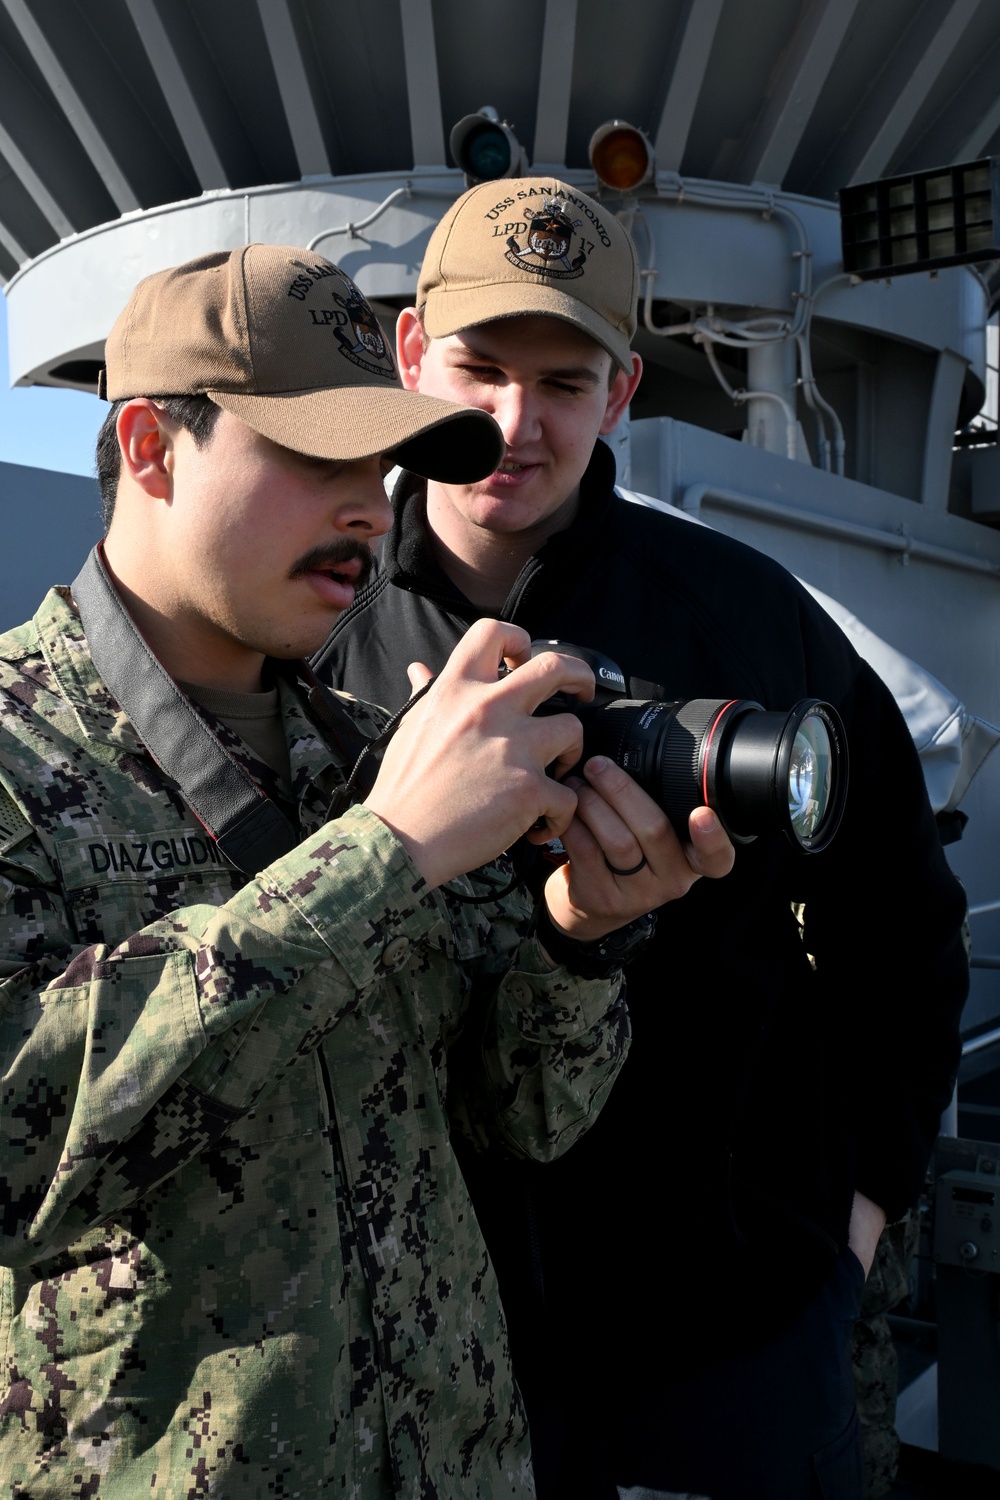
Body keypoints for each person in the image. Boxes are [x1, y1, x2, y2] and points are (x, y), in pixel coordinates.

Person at [0, 244, 735, 1498]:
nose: (368, 504)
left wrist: (575, 939)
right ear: (149, 447)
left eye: (379, 462)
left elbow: (522, 1124)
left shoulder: (364, 751)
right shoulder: (18, 752)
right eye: (312, 456)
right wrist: (382, 857)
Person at [314, 179, 970, 1500]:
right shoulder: (310, 618)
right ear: (407, 354)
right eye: (480, 367)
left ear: (621, 395)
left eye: (565, 380)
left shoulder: (747, 623)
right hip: (408, 1340)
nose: (515, 422)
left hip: (723, 1337)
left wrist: (856, 1221)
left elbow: (901, 925)